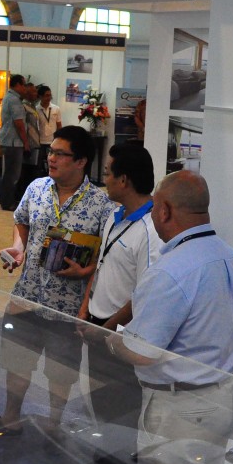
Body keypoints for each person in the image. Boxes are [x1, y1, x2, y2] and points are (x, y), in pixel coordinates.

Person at [105, 170, 233, 464]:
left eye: (155, 207)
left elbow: (141, 352)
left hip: (180, 410)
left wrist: (110, 340)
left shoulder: (170, 271)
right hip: (224, 396)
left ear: (165, 210)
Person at [0, 125, 113, 435]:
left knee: (61, 371)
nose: (51, 158)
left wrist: (86, 271)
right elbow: (21, 221)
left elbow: (106, 258)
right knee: (17, 360)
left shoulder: (101, 205)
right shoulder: (36, 188)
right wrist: (18, 248)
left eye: (60, 154)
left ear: (81, 161)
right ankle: (10, 417)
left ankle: (53, 424)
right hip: (27, 294)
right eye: (51, 152)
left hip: (67, 305)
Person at [77, 144, 162, 430]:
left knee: (120, 408)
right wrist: (85, 309)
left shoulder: (151, 230)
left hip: (120, 333)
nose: (104, 181)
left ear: (123, 179)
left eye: (107, 174)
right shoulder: (114, 216)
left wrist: (107, 328)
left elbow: (145, 294)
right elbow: (101, 265)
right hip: (97, 324)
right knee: (97, 400)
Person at [0, 74, 30, 210]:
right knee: (13, 175)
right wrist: (26, 142)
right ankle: (8, 202)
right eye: (24, 85)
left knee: (9, 173)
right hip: (13, 142)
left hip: (9, 140)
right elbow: (19, 124)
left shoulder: (9, 97)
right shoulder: (14, 100)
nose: (25, 88)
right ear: (17, 85)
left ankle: (5, 200)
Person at [17, 83, 41, 200]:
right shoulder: (23, 106)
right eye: (34, 92)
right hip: (28, 143)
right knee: (25, 172)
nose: (36, 94)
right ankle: (22, 196)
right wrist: (26, 143)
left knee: (33, 172)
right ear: (27, 93)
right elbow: (22, 126)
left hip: (35, 142)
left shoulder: (33, 106)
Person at [37, 84, 61, 170]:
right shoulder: (36, 109)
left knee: (52, 164)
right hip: (40, 142)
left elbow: (59, 125)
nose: (49, 97)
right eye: (46, 95)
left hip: (52, 141)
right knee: (39, 165)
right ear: (40, 96)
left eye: (50, 95)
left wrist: (59, 139)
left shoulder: (56, 108)